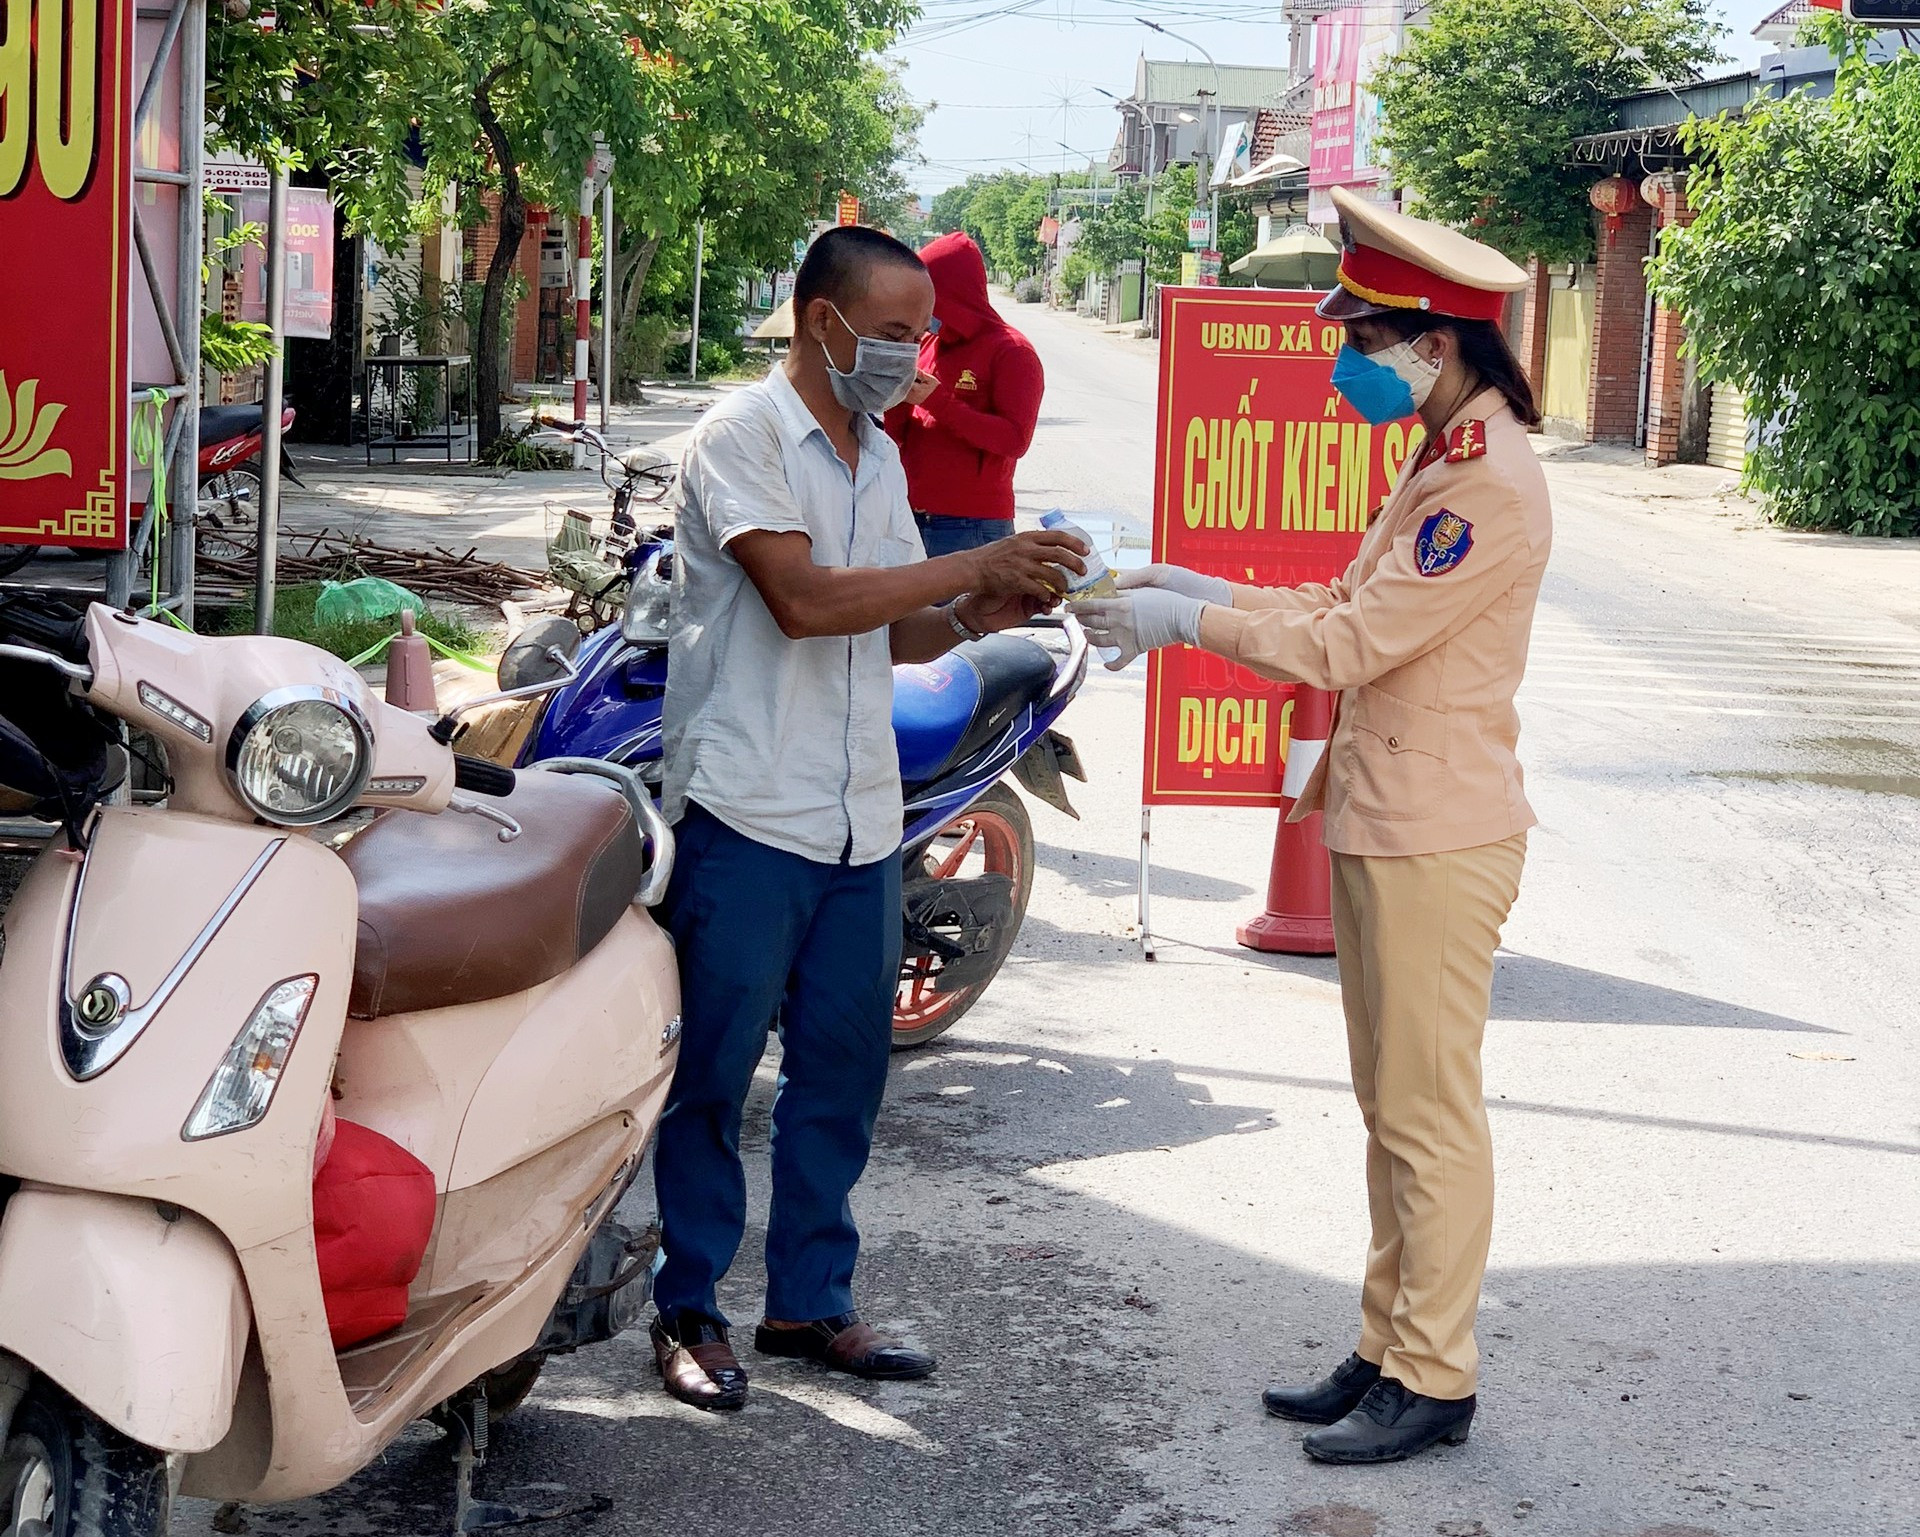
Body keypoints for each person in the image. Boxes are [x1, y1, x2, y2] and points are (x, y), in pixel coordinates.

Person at [1071, 186, 1550, 1465]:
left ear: (1437, 347)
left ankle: (1435, 1373)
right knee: (1391, 1105)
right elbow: (1343, 594)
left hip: (1440, 831)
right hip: (1394, 816)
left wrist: (1187, 624)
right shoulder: (1441, 454)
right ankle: (1390, 1345)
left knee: (1428, 1112)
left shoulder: (1488, 485)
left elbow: (1350, 642)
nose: (1347, 364)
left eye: (1364, 341)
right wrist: (1200, 581)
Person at [649, 224, 1086, 1413]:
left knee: (842, 1067)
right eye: (893, 335)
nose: (911, 358)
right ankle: (689, 1306)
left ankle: (808, 1302)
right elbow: (800, 601)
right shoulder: (741, 437)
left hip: (855, 812)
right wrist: (970, 562)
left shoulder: (875, 456)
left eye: (922, 336)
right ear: (820, 321)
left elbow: (887, 631)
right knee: (712, 1073)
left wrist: (989, 601)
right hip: (750, 802)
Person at [883, 231, 1045, 558]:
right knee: (904, 611)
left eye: (931, 302)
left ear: (953, 296)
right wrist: (896, 393)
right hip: (908, 514)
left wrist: (938, 401)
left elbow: (1015, 439)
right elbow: (896, 432)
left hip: (972, 526)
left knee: (962, 611)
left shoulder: (1012, 351)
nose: (926, 316)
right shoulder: (927, 342)